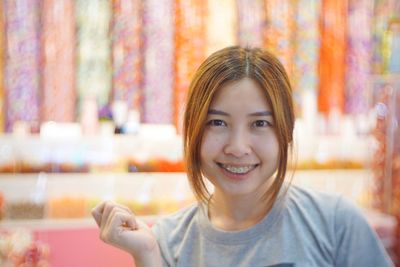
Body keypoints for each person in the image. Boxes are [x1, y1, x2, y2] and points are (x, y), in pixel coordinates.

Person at [91, 46, 394, 267]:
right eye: (218, 123)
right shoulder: (167, 242)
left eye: (260, 124)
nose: (237, 147)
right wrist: (145, 257)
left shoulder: (335, 224)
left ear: (286, 132)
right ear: (193, 131)